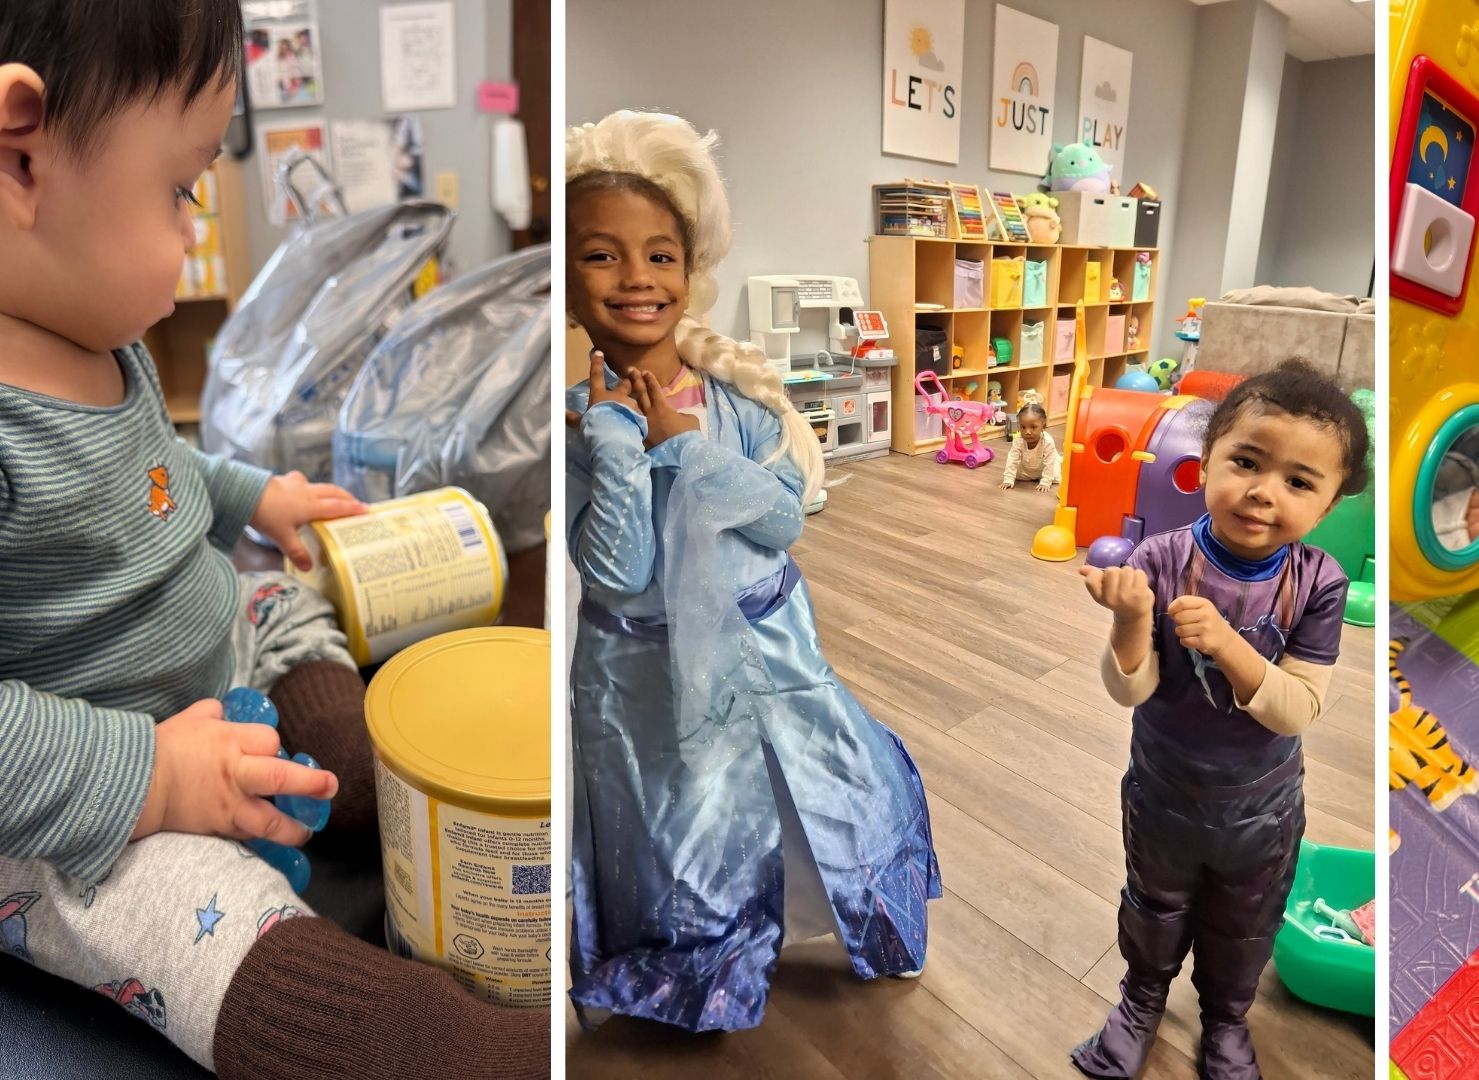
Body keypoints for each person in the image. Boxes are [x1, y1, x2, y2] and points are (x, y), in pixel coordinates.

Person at [0, 2, 547, 1075]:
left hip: (205, 656)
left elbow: (159, 473)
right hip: (81, 795)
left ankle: (345, 770)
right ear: (20, 159)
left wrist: (256, 499)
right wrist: (150, 775)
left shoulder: (99, 342)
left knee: (278, 594)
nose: (195, 223)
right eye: (178, 190)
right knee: (197, 923)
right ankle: (435, 1043)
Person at [564, 109, 941, 1033]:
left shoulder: (733, 404)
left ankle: (852, 915)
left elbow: (780, 520)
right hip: (647, 679)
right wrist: (618, 443)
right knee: (687, 834)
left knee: (830, 790)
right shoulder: (575, 426)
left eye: (660, 255)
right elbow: (617, 573)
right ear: (565, 274)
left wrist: (686, 447)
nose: (637, 279)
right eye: (602, 255)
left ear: (691, 270)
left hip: (772, 644)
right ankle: (700, 968)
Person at [1073, 361, 1368, 1079]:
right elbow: (1130, 690)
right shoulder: (1161, 558)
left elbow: (1297, 708)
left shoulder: (1319, 583)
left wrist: (1230, 645)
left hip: (1259, 808)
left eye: (1299, 482)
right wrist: (1131, 621)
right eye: (1246, 462)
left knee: (1245, 923)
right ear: (1207, 462)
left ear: (1327, 506)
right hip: (1163, 791)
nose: (1265, 492)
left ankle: (1227, 1019)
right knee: (1153, 906)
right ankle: (1141, 1001)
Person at [1001, 401, 1061, 490]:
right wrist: (1008, 480)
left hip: (1045, 466)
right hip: (1027, 467)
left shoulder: (1047, 441)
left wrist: (1045, 482)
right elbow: (1012, 459)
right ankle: (1035, 476)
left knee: (1056, 476)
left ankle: (1058, 459)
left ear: (1043, 424)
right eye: (1023, 427)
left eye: (1033, 427)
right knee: (1015, 474)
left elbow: (1049, 463)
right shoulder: (1019, 440)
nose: (1027, 432)